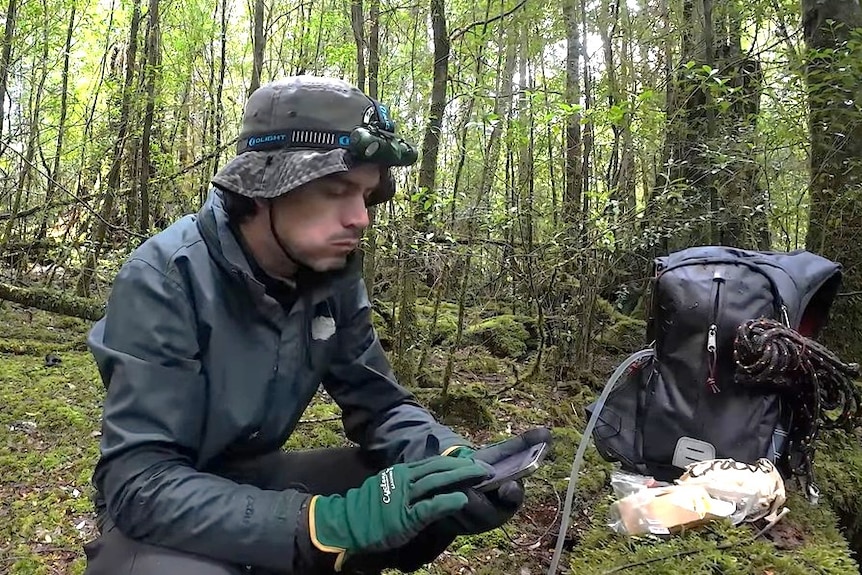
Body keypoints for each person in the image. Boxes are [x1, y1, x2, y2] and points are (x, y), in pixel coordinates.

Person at [82, 75, 531, 575]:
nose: (360, 217)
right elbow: (138, 482)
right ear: (261, 188)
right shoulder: (166, 276)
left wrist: (450, 458)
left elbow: (379, 404)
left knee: (426, 493)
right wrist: (319, 525)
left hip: (253, 477)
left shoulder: (329, 277)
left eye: (365, 195)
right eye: (337, 190)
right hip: (165, 497)